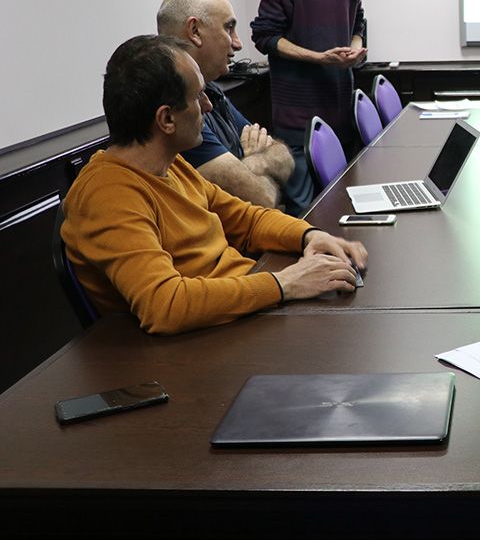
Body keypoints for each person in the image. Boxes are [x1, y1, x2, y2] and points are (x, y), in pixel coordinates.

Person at [61, 35, 368, 335]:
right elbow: (165, 305)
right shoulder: (108, 195)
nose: (208, 106)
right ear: (166, 119)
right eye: (198, 97)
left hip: (239, 315)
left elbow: (247, 220)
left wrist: (309, 235)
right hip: (204, 345)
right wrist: (285, 283)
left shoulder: (172, 165)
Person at [251, 0, 367, 213]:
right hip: (297, 119)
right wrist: (318, 58)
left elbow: (357, 21)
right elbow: (265, 35)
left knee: (341, 209)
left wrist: (355, 48)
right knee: (306, 214)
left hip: (340, 112)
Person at [157, 0, 296, 212]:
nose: (238, 43)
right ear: (194, 31)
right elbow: (262, 197)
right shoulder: (177, 107)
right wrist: (254, 163)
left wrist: (252, 163)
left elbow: (284, 156)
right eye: (228, 28)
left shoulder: (211, 89)